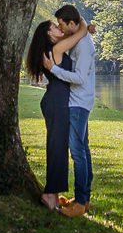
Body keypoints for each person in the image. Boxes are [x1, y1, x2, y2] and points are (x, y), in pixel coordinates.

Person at [26, 12, 87, 210]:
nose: (59, 28)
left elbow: (74, 34)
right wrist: (80, 20)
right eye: (54, 27)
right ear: (49, 36)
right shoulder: (57, 48)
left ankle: (54, 193)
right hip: (56, 102)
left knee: (59, 148)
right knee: (57, 148)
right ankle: (49, 195)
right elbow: (80, 33)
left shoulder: (55, 47)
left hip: (58, 101)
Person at [44, 3, 95, 217]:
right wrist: (85, 26)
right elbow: (80, 24)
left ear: (72, 23)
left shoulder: (82, 46)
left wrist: (54, 69)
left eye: (62, 25)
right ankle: (84, 198)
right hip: (79, 102)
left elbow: (79, 78)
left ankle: (81, 203)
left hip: (78, 103)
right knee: (83, 150)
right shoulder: (80, 38)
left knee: (78, 152)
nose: (60, 28)